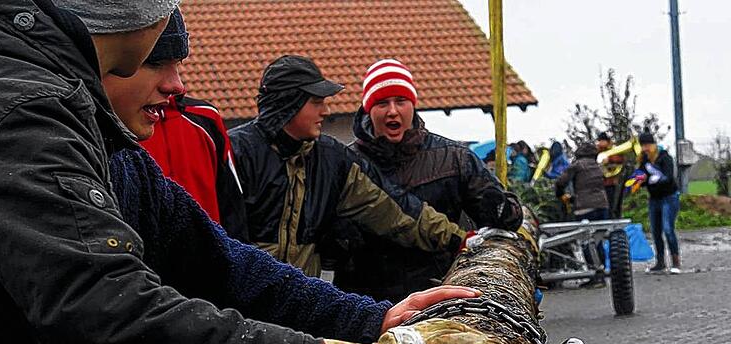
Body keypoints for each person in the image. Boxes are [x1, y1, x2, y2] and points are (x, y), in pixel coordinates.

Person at [0, 2, 485, 344]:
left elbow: (220, 260)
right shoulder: (19, 116)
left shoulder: (116, 153)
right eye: (154, 62)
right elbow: (104, 309)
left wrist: (369, 319)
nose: (178, 85)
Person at [229, 55, 471, 280]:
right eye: (316, 102)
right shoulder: (235, 152)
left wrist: (459, 239)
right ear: (288, 105)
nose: (325, 111)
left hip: (300, 307)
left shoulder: (332, 159)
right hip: (241, 308)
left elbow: (394, 210)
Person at [332, 58, 523, 302]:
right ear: (369, 109)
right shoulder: (345, 164)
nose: (392, 110)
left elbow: (507, 219)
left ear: (413, 104)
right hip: (366, 301)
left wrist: (500, 208)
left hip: (439, 295)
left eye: (400, 101)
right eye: (381, 103)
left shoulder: (454, 158)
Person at [103, 8, 247, 241]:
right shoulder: (74, 148)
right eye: (155, 63)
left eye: (178, 64)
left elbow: (233, 216)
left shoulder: (205, 121)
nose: (177, 85)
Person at [638, 132, 681, 274]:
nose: (645, 148)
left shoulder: (665, 158)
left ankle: (676, 262)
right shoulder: (644, 161)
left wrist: (651, 179)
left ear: (654, 144)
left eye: (647, 145)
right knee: (655, 232)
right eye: (642, 145)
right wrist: (639, 181)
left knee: (668, 229)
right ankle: (660, 262)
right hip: (654, 199)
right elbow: (641, 179)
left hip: (669, 197)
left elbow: (668, 177)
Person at [554, 142, 610, 222]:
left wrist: (560, 194)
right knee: (601, 232)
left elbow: (560, 182)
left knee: (584, 233)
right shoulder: (599, 166)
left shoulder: (577, 165)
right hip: (602, 206)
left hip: (584, 208)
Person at [596, 132, 625, 216]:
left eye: (602, 141)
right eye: (599, 141)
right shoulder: (598, 151)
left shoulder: (614, 150)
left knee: (612, 204)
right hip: (601, 183)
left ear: (607, 141)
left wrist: (609, 159)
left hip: (611, 182)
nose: (600, 143)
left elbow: (620, 161)